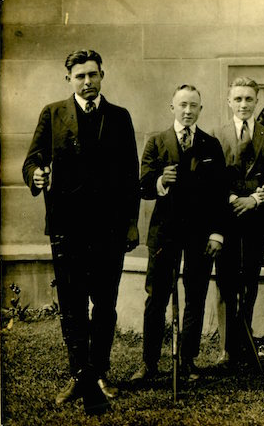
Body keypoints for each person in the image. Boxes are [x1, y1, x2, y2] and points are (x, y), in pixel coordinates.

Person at [22, 49, 140, 414]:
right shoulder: (52, 114)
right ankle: (78, 375)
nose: (87, 82)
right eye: (80, 76)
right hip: (67, 228)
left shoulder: (119, 117)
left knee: (104, 306)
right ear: (68, 79)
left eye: (93, 75)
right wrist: (36, 175)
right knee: (72, 308)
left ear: (102, 75)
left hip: (109, 230)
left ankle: (100, 372)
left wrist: (132, 223)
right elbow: (32, 160)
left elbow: (130, 176)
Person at [131, 85, 227, 383]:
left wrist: (217, 233)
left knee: (195, 296)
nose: (188, 110)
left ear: (201, 109)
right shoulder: (157, 141)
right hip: (165, 233)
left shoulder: (210, 144)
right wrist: (160, 180)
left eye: (194, 105)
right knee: (156, 296)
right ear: (171, 107)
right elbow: (143, 185)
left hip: (200, 234)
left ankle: (188, 361)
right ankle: (149, 363)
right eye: (182, 104)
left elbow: (220, 194)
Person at [211, 77, 264, 364]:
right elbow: (212, 177)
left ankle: (245, 341)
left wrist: (257, 198)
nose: (243, 104)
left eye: (249, 99)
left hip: (255, 217)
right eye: (238, 99)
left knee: (250, 280)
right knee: (226, 281)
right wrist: (232, 198)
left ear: (257, 101)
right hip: (227, 217)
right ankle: (226, 348)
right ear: (229, 101)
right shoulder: (217, 135)